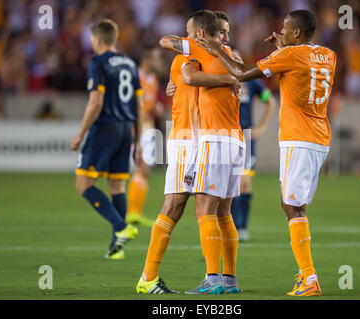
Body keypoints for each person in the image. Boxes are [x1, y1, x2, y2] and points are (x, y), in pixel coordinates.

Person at [197, 9, 337, 296]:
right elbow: (301, 65)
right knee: (296, 205)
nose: (281, 31)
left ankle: (309, 277)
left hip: (298, 139)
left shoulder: (288, 56)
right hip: (320, 137)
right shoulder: (328, 54)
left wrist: (215, 49)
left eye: (285, 28)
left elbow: (239, 73)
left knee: (292, 206)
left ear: (296, 33)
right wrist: (285, 49)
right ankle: (304, 273)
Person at [136, 10, 242, 295]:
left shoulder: (217, 56)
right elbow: (187, 77)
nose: (225, 37)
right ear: (204, 34)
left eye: (227, 32)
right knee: (177, 206)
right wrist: (229, 78)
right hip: (187, 138)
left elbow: (190, 79)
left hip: (206, 138)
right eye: (221, 32)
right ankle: (148, 277)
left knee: (217, 210)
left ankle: (222, 280)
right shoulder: (190, 56)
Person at [69, 19, 143, 260]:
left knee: (84, 184)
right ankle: (116, 249)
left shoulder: (98, 62)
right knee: (116, 186)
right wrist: (138, 140)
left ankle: (121, 227)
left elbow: (96, 102)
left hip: (105, 128)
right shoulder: (130, 64)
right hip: (125, 129)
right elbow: (140, 105)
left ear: (98, 40)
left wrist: (81, 133)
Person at [231, 75, 276, 241]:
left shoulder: (251, 82)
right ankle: (232, 227)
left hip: (246, 138)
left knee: (244, 182)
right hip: (226, 135)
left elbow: (269, 100)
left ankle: (241, 227)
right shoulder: (220, 79)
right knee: (230, 184)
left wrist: (262, 126)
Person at [125, 48, 164, 227]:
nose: (159, 62)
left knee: (144, 169)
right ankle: (132, 213)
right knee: (142, 167)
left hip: (147, 127)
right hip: (134, 127)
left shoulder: (153, 80)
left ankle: (135, 213)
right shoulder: (134, 77)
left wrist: (155, 106)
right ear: (146, 59)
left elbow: (147, 102)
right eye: (156, 58)